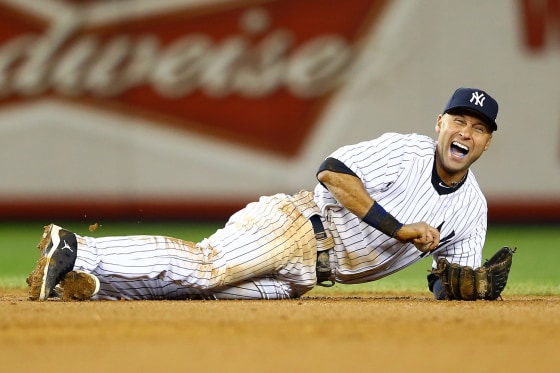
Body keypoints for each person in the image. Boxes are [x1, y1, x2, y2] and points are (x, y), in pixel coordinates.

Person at [27, 87, 498, 301]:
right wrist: (398, 229)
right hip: (297, 225)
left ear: (487, 142)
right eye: (457, 120)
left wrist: (460, 289)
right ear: (440, 124)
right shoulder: (406, 152)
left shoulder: (472, 208)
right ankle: (76, 248)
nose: (465, 132)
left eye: (478, 128)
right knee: (207, 266)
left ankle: (85, 286)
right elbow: (333, 174)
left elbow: (447, 277)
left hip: (305, 278)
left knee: (202, 294)